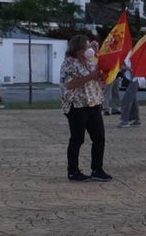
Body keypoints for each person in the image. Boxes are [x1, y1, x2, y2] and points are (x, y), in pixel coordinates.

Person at [60, 34, 112, 182]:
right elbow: (69, 84)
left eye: (90, 46)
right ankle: (73, 171)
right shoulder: (69, 63)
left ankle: (97, 169)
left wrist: (102, 75)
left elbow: (98, 79)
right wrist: (91, 76)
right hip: (77, 105)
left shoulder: (91, 62)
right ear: (78, 50)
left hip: (94, 103)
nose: (90, 49)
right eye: (87, 47)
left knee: (99, 138)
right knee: (77, 138)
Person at [117, 57, 141, 128]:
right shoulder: (129, 54)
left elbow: (132, 67)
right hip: (132, 79)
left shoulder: (135, 55)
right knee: (133, 100)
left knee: (127, 100)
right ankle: (136, 119)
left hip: (135, 79)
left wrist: (125, 68)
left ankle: (125, 120)